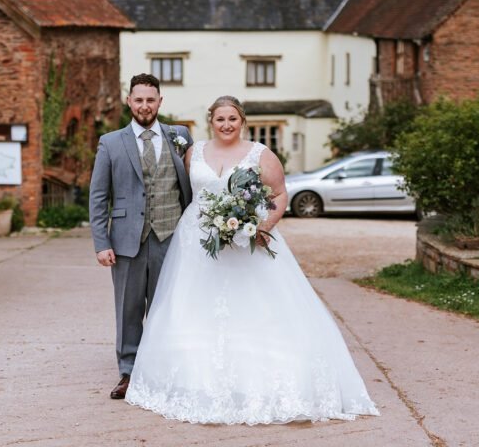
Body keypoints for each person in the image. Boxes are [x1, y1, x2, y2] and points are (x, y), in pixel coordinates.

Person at [124, 96, 380, 424]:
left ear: (242, 120)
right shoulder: (194, 152)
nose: (226, 125)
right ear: (211, 121)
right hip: (196, 244)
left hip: (248, 241)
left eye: (232, 119)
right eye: (220, 119)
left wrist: (262, 226)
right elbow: (189, 194)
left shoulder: (260, 153)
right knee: (192, 307)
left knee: (255, 308)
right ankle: (191, 378)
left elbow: (279, 193)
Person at [89, 73, 193, 400]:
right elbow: (98, 195)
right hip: (126, 240)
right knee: (129, 309)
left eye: (151, 100)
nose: (144, 106)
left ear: (160, 101)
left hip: (171, 236)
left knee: (167, 307)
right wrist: (101, 243)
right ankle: (128, 373)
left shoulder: (181, 136)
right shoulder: (111, 141)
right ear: (129, 101)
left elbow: (194, 183)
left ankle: (166, 370)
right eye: (139, 100)